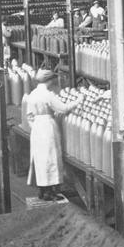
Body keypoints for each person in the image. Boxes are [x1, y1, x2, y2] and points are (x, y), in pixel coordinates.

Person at [25, 69, 76, 201]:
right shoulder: (48, 95)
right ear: (50, 80)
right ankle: (51, 193)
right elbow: (63, 108)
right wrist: (78, 101)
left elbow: (29, 116)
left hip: (37, 127)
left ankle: (43, 190)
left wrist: (35, 126)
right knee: (51, 159)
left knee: (40, 159)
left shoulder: (33, 94)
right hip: (47, 126)